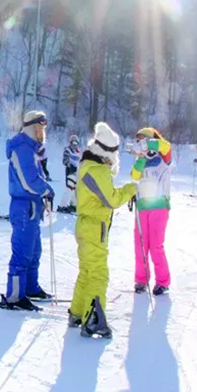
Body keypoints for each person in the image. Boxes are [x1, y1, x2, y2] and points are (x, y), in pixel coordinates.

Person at [69, 122, 137, 338]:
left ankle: (78, 312)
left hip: (87, 225)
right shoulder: (97, 170)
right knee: (98, 273)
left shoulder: (90, 165)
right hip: (93, 227)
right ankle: (93, 319)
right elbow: (112, 199)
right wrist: (131, 188)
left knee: (87, 271)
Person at [0, 110, 55, 311]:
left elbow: (36, 177)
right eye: (41, 127)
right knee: (22, 252)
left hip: (32, 206)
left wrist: (44, 192)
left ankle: (30, 287)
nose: (43, 131)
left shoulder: (32, 149)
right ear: (32, 127)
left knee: (34, 251)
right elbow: (28, 181)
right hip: (23, 206)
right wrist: (47, 189)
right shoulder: (21, 148)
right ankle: (15, 296)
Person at [130, 127, 173, 295]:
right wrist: (141, 157)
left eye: (143, 139)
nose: (140, 143)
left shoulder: (163, 157)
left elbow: (166, 147)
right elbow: (134, 176)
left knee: (156, 246)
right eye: (138, 140)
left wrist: (149, 144)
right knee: (140, 245)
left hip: (159, 206)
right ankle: (141, 279)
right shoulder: (140, 160)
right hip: (142, 207)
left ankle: (163, 281)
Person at [58, 134, 81, 213]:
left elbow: (80, 162)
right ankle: (62, 205)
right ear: (70, 142)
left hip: (77, 172)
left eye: (76, 143)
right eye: (73, 143)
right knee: (69, 189)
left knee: (75, 190)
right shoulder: (67, 150)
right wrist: (70, 166)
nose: (74, 145)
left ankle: (73, 205)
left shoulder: (78, 152)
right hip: (70, 171)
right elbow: (65, 161)